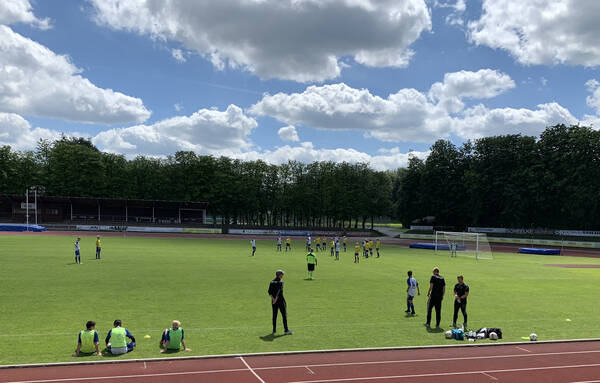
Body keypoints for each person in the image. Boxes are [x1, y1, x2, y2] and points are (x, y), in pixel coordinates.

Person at [268, 270, 292, 335]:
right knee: (284, 315)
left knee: (274, 315)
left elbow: (269, 292)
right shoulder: (281, 282)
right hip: (280, 301)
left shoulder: (272, 282)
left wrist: (273, 299)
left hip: (273, 302)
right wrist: (276, 299)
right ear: (279, 275)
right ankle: (286, 330)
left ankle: (274, 330)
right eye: (282, 274)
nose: (283, 275)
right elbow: (279, 292)